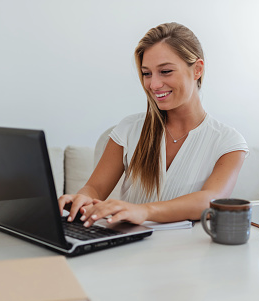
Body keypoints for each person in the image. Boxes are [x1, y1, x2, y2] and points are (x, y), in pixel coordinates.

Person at [58, 22, 249, 227]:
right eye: (147, 73)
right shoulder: (129, 129)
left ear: (197, 70)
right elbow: (94, 188)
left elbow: (210, 201)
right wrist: (83, 198)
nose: (153, 84)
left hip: (189, 253)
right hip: (126, 249)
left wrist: (144, 211)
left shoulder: (228, 142)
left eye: (165, 71)